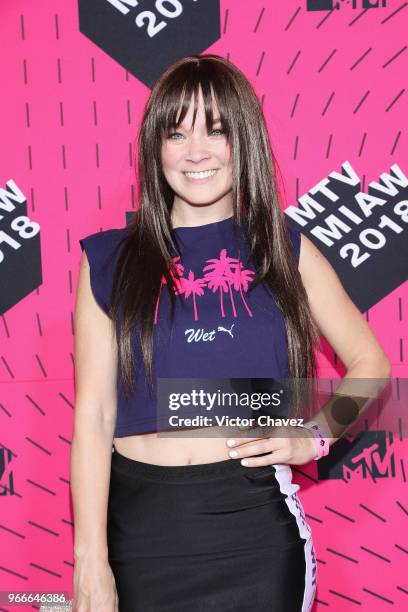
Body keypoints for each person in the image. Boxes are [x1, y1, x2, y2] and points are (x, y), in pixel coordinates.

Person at [71, 54, 391, 612]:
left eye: (216, 131)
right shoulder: (107, 260)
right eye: (177, 133)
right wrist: (90, 560)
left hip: (255, 534)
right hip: (138, 536)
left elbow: (372, 363)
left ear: (243, 142)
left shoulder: (283, 248)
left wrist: (313, 437)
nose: (196, 152)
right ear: (156, 147)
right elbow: (94, 417)